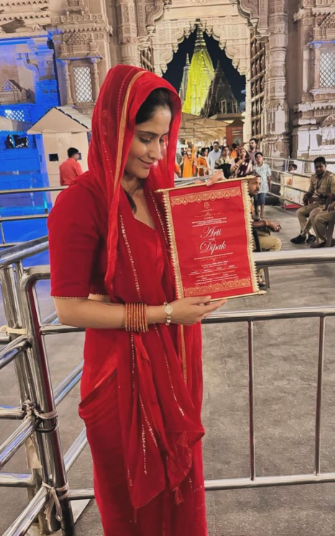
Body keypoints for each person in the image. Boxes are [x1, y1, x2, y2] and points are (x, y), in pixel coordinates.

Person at [48, 65, 227, 536]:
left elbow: (173, 271)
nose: (157, 152)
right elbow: (68, 309)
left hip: (174, 360)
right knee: (134, 507)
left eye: (164, 139)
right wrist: (165, 313)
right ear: (113, 127)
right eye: (146, 137)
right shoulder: (79, 204)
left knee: (181, 489)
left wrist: (209, 281)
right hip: (121, 373)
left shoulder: (158, 192)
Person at [290, 156, 335, 244]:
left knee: (313, 214)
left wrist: (316, 198)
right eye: (316, 167)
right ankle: (310, 235)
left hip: (327, 205)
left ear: (325, 166)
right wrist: (307, 196)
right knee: (299, 212)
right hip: (317, 203)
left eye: (321, 167)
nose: (318, 169)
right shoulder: (314, 177)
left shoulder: (331, 177)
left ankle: (304, 235)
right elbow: (310, 191)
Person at [247, 175, 281, 251]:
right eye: (255, 183)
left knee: (266, 233)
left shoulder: (249, 199)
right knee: (276, 242)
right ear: (246, 184)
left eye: (259, 184)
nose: (258, 188)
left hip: (248, 234)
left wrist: (270, 225)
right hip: (242, 239)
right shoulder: (242, 201)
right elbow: (245, 225)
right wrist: (266, 223)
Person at [253, 152, 272, 218]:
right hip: (255, 186)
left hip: (264, 185)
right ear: (255, 159)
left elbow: (268, 177)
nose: (258, 158)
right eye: (257, 157)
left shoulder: (266, 166)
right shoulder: (254, 167)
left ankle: (262, 213)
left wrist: (270, 185)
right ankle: (256, 211)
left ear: (262, 158)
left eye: (260, 157)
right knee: (255, 199)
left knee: (262, 200)